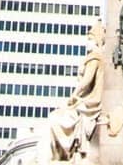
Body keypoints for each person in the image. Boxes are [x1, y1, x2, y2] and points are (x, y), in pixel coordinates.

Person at [40, 22, 105, 161]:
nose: (87, 42)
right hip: (83, 101)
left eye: (90, 39)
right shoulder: (94, 56)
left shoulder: (95, 57)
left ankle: (61, 154)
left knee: (54, 119)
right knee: (56, 117)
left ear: (96, 41)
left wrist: (73, 96)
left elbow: (86, 81)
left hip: (89, 103)